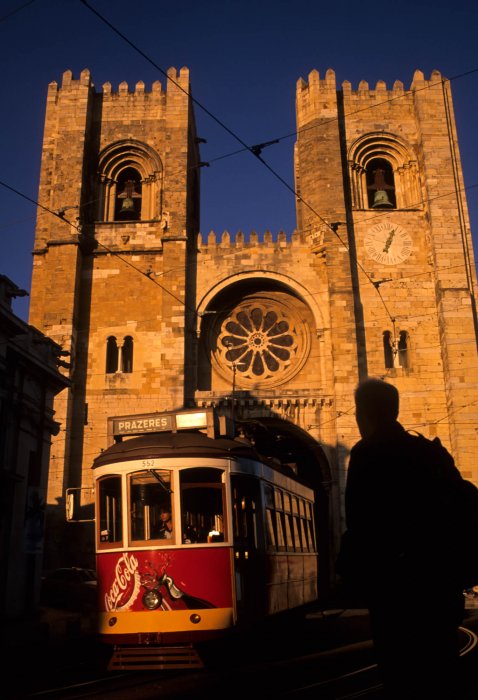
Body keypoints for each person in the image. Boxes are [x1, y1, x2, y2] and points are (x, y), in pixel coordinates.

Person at [338, 378, 466, 699]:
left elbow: (360, 526)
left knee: (400, 675)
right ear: (394, 410)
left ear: (363, 414)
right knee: (441, 672)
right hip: (440, 585)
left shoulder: (367, 455)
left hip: (393, 591)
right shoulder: (430, 452)